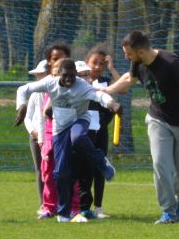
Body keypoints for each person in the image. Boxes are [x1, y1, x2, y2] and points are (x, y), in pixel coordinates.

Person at [102, 31, 179, 224]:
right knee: (160, 163)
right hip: (158, 120)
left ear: (140, 51)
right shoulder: (138, 64)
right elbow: (128, 80)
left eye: (129, 54)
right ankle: (169, 210)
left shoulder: (172, 64)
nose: (127, 57)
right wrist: (106, 90)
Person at [14, 58, 120, 222]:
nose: (69, 79)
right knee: (60, 172)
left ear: (76, 75)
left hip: (79, 120)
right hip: (60, 128)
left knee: (77, 137)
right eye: (65, 76)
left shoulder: (82, 86)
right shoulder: (51, 83)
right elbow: (23, 89)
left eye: (72, 75)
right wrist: (21, 106)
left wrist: (113, 104)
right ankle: (63, 213)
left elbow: (99, 96)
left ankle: (101, 161)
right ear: (59, 75)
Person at [25, 43, 72, 216]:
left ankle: (71, 207)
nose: (59, 63)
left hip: (66, 134)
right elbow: (36, 111)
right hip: (47, 135)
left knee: (67, 171)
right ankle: (47, 206)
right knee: (45, 171)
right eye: (55, 59)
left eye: (62, 59)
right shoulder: (44, 86)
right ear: (49, 63)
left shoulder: (75, 84)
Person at [78, 48, 119, 219]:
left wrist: (111, 68)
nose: (97, 66)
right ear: (86, 62)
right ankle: (82, 206)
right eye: (94, 62)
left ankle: (98, 207)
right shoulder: (79, 82)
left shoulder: (105, 81)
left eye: (102, 63)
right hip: (85, 130)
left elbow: (122, 87)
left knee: (100, 166)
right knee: (84, 167)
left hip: (101, 130)